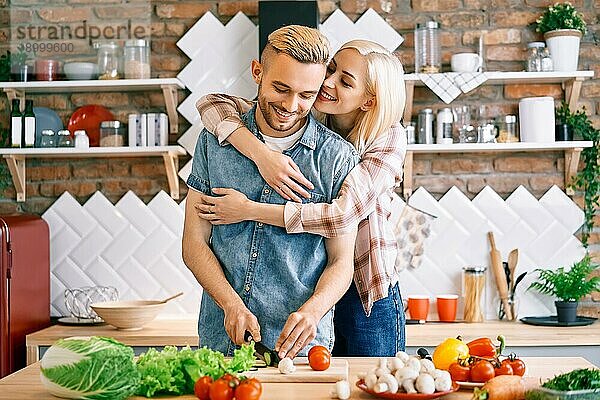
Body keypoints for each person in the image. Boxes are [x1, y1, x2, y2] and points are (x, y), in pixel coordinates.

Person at [195, 39, 408, 357]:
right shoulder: (314, 112)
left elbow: (340, 217)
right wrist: (263, 155)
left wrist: (249, 210)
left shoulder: (388, 138)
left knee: (369, 383)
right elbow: (212, 105)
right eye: (331, 69)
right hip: (319, 281)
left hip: (364, 290)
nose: (328, 82)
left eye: (344, 81)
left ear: (368, 101)